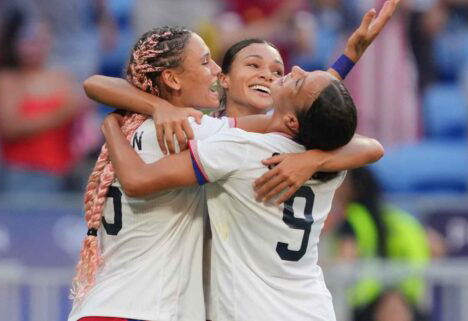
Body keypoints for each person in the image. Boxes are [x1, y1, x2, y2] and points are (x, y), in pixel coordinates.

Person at [69, 14, 392, 320]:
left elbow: (312, 108)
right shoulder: (213, 134)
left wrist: (112, 122)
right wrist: (317, 155)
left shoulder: (227, 144)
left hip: (196, 307)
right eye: (252, 64)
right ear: (223, 79)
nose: (273, 74)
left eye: (278, 72)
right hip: (285, 308)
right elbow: (333, 123)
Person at [100, 66, 364, 320]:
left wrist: (112, 126)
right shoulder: (334, 161)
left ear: (292, 121)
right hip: (314, 309)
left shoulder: (242, 149)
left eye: (298, 81)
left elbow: (137, 179)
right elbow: (365, 143)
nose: (294, 69)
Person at [0, 11, 86, 193]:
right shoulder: (5, 80)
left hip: (65, 173)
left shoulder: (61, 77)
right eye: (30, 41)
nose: (37, 47)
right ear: (14, 42)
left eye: (43, 40)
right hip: (23, 173)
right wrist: (61, 114)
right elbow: (10, 127)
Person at [332, 167, 430, 321]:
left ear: (351, 188)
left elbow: (344, 261)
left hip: (369, 305)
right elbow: (436, 246)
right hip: (410, 302)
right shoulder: (401, 218)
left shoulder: (354, 218)